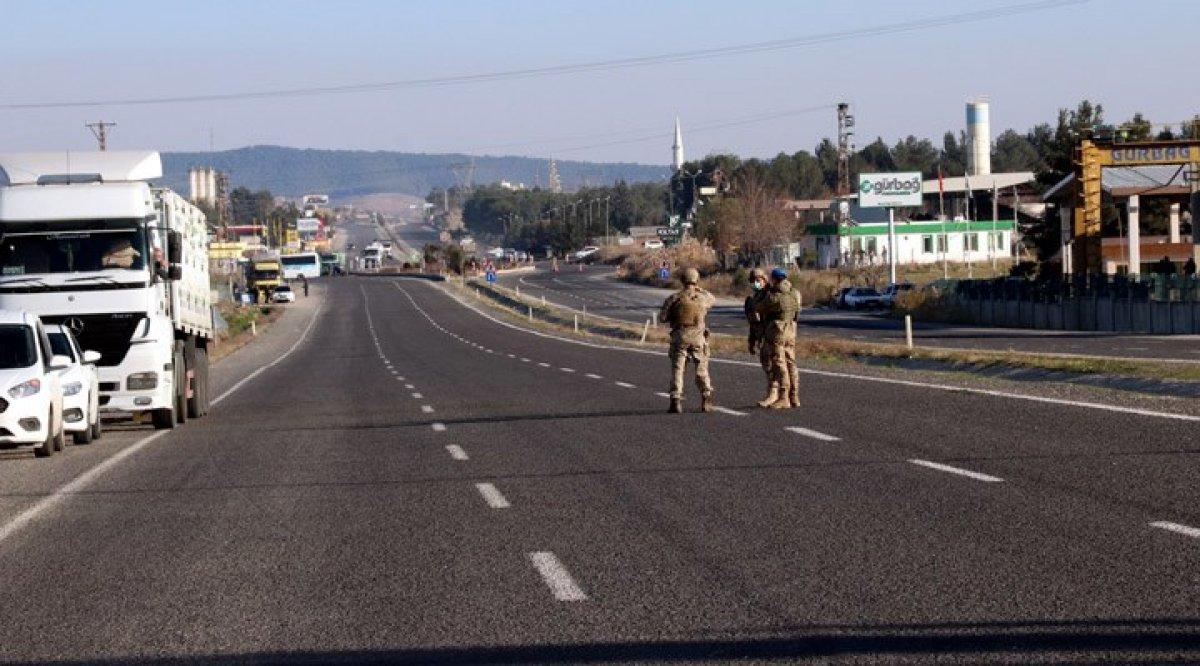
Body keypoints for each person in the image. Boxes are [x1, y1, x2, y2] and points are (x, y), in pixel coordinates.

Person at [658, 267, 715, 414]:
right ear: (696, 280)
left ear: (682, 280)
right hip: (698, 338)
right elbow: (712, 299)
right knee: (701, 369)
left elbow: (662, 318)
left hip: (680, 337)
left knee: (678, 369)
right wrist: (700, 290)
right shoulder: (703, 298)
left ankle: (675, 400)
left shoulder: (674, 298)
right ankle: (706, 397)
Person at [755, 267, 800, 409]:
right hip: (791, 329)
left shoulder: (773, 296)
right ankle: (794, 396)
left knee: (780, 363)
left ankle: (784, 397)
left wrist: (763, 292)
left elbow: (759, 307)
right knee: (791, 362)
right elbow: (797, 312)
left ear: (774, 279)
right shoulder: (795, 293)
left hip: (778, 331)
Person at [743, 268, 771, 392]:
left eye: (758, 280)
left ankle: (777, 393)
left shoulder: (770, 296)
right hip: (761, 337)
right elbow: (752, 323)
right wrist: (752, 341)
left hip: (771, 336)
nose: (755, 283)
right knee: (767, 365)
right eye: (753, 281)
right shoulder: (752, 299)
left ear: (764, 280)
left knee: (774, 366)